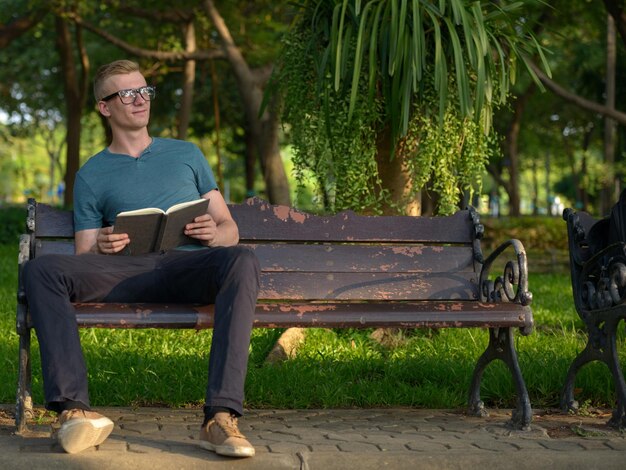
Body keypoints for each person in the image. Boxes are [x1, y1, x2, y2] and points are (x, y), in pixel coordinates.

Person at [22, 59, 260, 458]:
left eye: (144, 91)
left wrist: (214, 233)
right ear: (105, 107)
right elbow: (84, 251)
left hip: (187, 266)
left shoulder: (186, 154)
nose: (139, 100)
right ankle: (73, 412)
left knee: (242, 258)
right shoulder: (92, 174)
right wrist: (104, 244)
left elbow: (229, 227)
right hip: (124, 271)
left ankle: (220, 419)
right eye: (127, 93)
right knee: (42, 268)